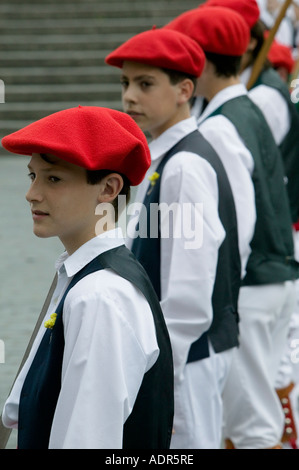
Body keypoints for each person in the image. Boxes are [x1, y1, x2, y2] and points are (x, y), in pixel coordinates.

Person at [0, 105, 174, 449]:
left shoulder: (99, 297)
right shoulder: (85, 277)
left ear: (108, 189)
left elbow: (86, 438)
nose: (31, 193)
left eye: (53, 178)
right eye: (32, 176)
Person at [166, 5, 298, 449]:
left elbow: (236, 225)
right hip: (271, 276)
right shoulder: (243, 106)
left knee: (251, 427)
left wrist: (223, 298)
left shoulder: (224, 124)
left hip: (252, 285)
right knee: (247, 420)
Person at [106, 26, 242, 449]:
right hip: (177, 355)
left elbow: (188, 299)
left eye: (145, 84)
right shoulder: (168, 157)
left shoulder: (185, 166)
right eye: (126, 83)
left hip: (183, 359)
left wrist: (160, 375)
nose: (130, 97)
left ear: (185, 89)